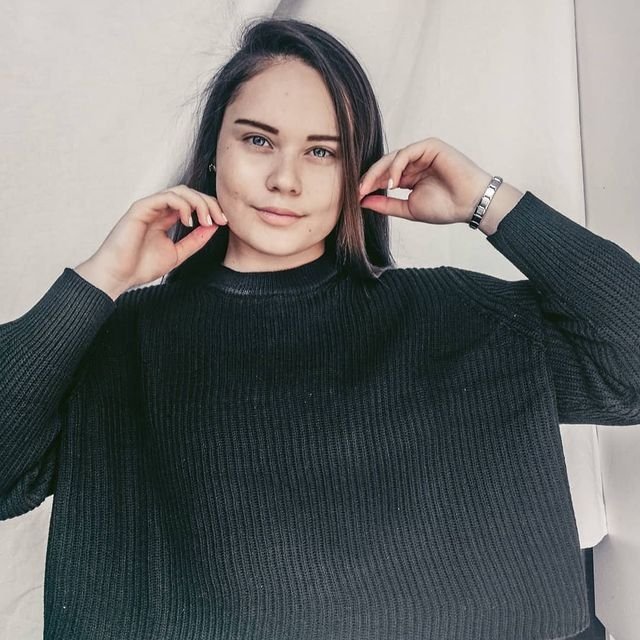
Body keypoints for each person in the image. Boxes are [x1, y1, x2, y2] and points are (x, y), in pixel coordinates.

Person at [1, 16, 638, 640]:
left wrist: (488, 202)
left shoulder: (455, 314)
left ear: (357, 169)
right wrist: (100, 279)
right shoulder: (114, 341)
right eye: (258, 141)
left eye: (322, 151)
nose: (285, 179)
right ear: (214, 154)